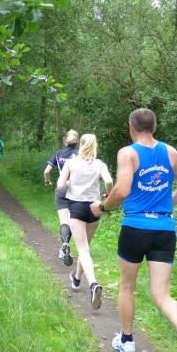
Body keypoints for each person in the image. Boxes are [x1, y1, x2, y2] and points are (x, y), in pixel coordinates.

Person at [90, 108, 177, 352]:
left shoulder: (128, 153)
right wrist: (166, 203)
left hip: (135, 227)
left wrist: (103, 208)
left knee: (127, 287)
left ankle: (127, 340)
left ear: (131, 127)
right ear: (154, 127)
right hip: (164, 228)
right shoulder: (170, 152)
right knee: (162, 294)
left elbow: (122, 190)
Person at [57, 133, 113, 310]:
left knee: (83, 249)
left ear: (80, 144)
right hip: (95, 208)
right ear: (95, 146)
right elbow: (109, 181)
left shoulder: (71, 163)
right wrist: (107, 195)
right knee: (86, 248)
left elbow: (60, 185)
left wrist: (69, 182)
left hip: (77, 207)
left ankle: (93, 284)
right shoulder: (100, 164)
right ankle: (76, 278)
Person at [44, 130, 80, 266]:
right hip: (77, 190)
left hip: (61, 189)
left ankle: (64, 244)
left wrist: (47, 181)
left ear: (65, 141)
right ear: (77, 141)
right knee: (73, 221)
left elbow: (47, 171)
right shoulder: (81, 154)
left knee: (64, 221)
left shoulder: (59, 154)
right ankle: (66, 246)